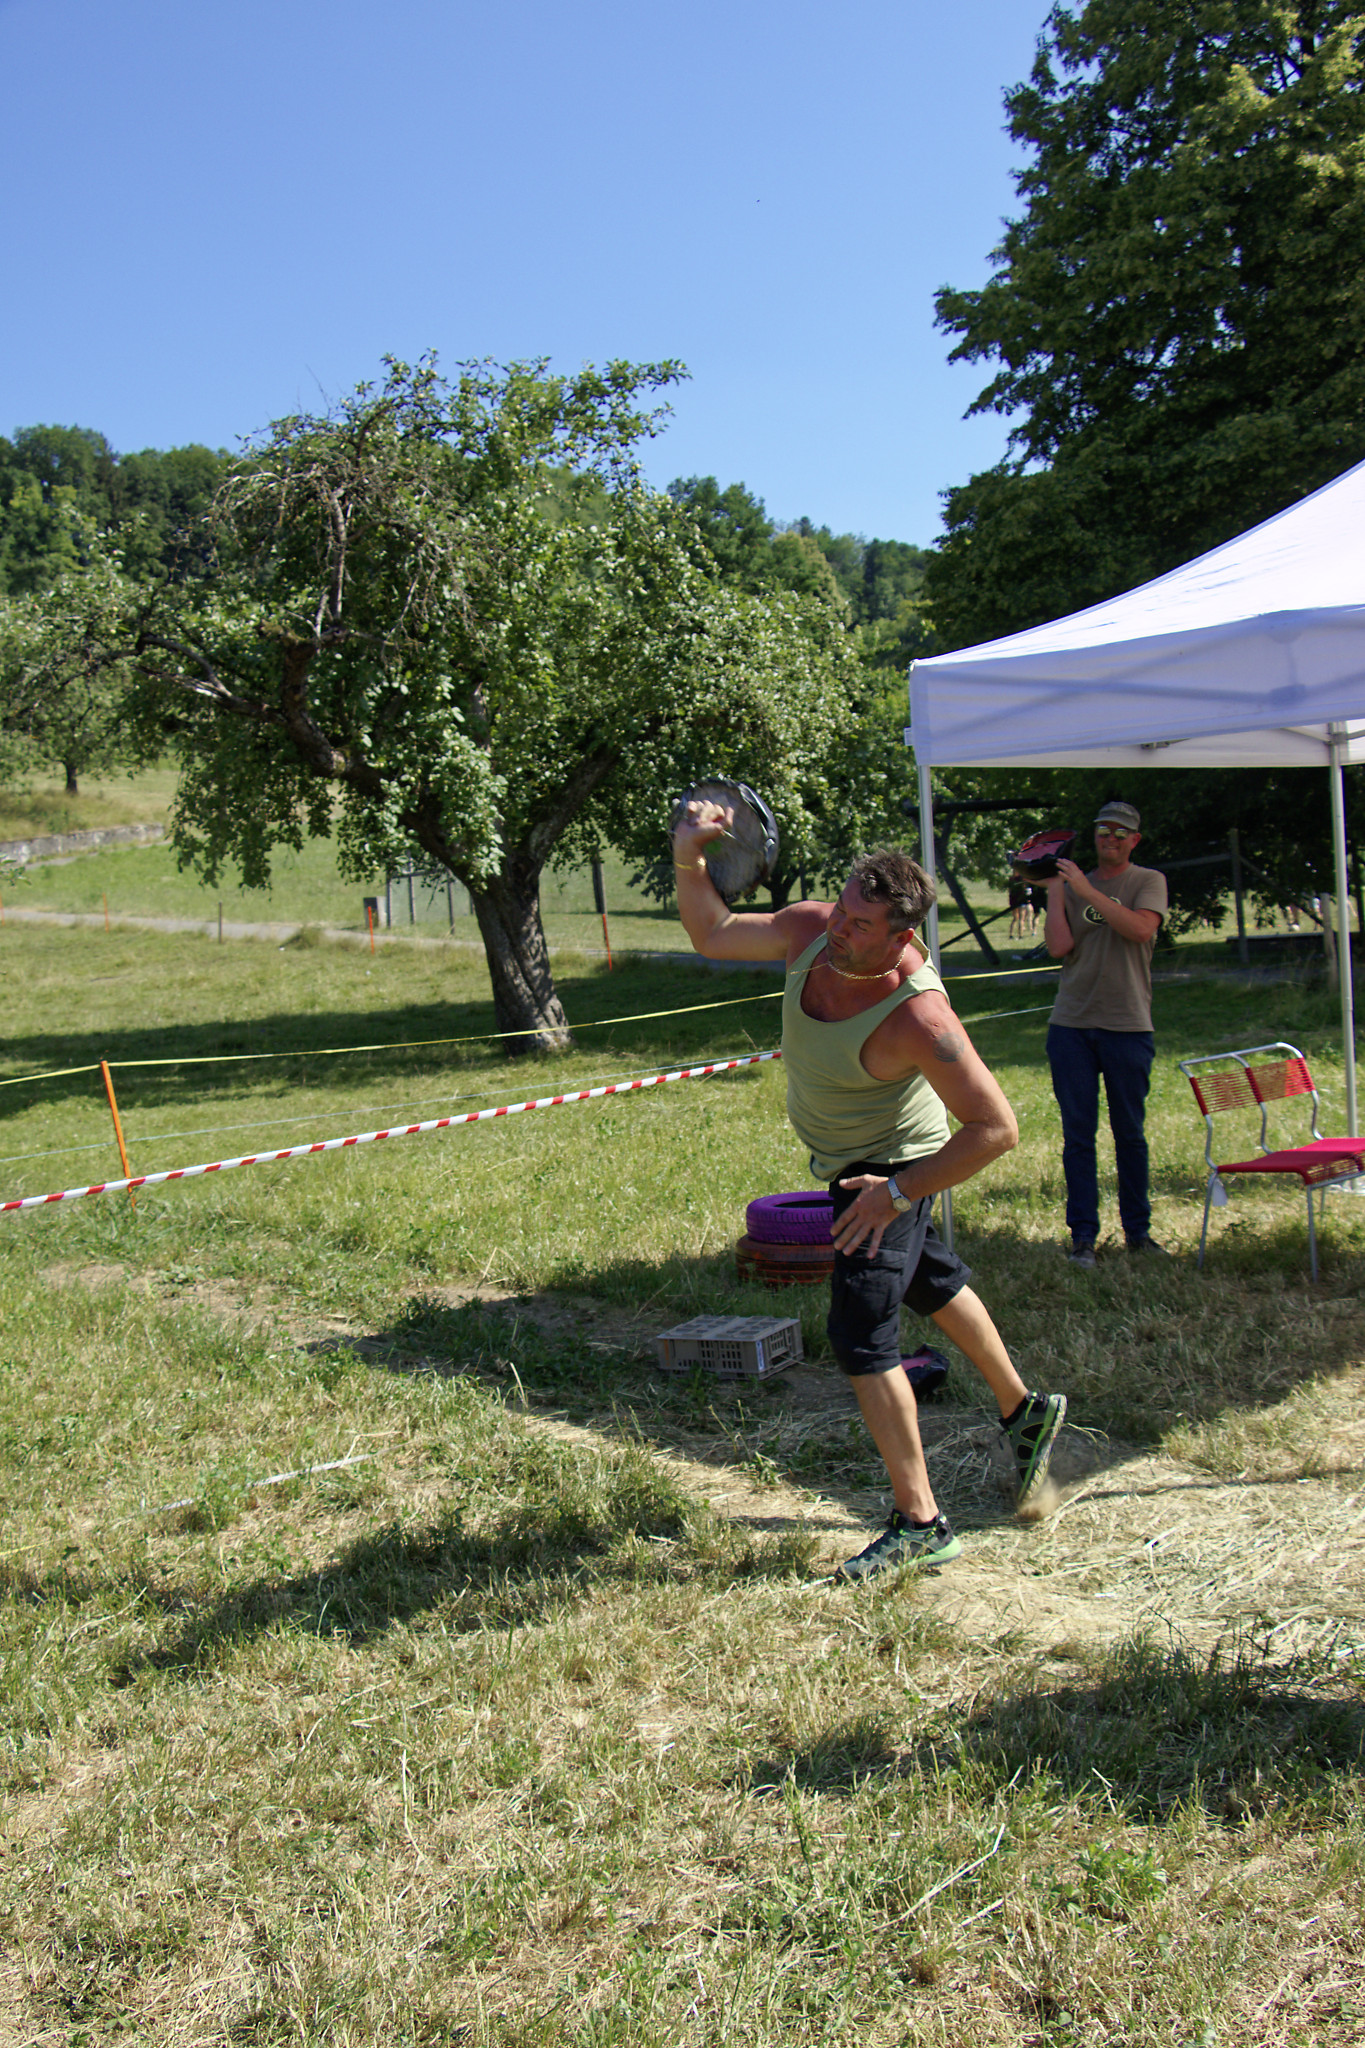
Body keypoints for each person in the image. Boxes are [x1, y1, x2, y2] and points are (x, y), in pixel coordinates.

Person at [673, 807, 1067, 1582]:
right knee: (931, 1283)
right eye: (842, 910)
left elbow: (996, 1129)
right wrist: (688, 856)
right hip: (848, 1165)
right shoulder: (809, 929)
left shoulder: (919, 1014)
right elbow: (712, 933)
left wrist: (896, 1194)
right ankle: (1024, 1411)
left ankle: (920, 1523)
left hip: (893, 1171)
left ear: (900, 938)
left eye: (859, 925)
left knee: (860, 1338)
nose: (838, 930)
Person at [1043, 799, 1169, 1268]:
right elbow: (1059, 946)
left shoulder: (1147, 881)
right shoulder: (1074, 883)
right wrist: (1056, 891)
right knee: (1078, 1137)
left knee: (1129, 1134)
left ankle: (1138, 1233)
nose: (1109, 839)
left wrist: (1085, 890)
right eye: (1102, 831)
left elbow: (1139, 929)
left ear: (1134, 840)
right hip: (1071, 1024)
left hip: (1127, 1025)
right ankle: (1083, 1238)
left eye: (1119, 832)